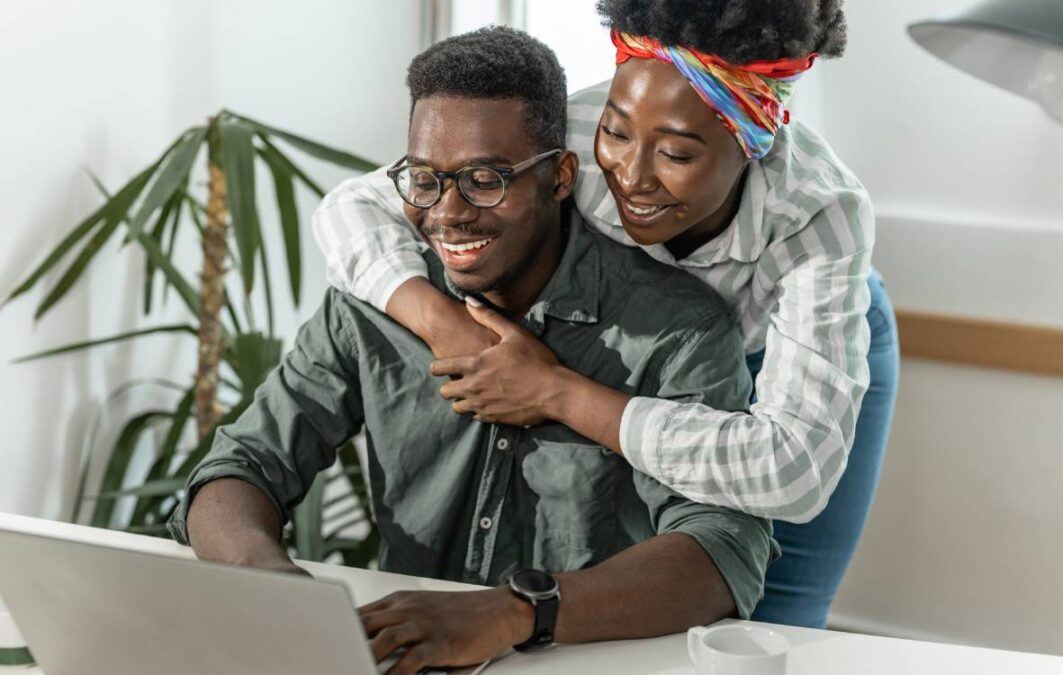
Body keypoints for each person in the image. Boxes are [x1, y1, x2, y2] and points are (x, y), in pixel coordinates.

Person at [168, 26, 775, 675]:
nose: (448, 212)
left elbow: (720, 552)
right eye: (424, 180)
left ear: (561, 176)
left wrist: (514, 611)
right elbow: (238, 468)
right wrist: (272, 583)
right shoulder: (372, 305)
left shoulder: (677, 327)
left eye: (486, 179)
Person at [312, 0, 900, 629]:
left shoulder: (818, 209)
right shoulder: (571, 132)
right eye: (617, 135)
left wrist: (556, 393)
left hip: (777, 358)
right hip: (652, 354)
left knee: (775, 626)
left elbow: (793, 470)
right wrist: (450, 328)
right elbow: (353, 209)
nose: (630, 177)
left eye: (675, 154)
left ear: (753, 142)